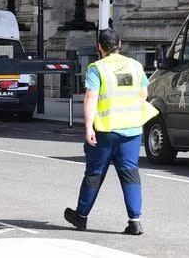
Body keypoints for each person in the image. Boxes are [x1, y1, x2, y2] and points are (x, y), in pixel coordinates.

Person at [64, 28, 149, 236]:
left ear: (99, 47)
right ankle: (135, 221)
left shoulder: (97, 68)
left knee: (94, 173)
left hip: (106, 130)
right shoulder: (136, 66)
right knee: (130, 173)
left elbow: (90, 98)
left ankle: (81, 216)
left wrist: (88, 126)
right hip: (131, 130)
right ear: (119, 43)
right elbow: (144, 94)